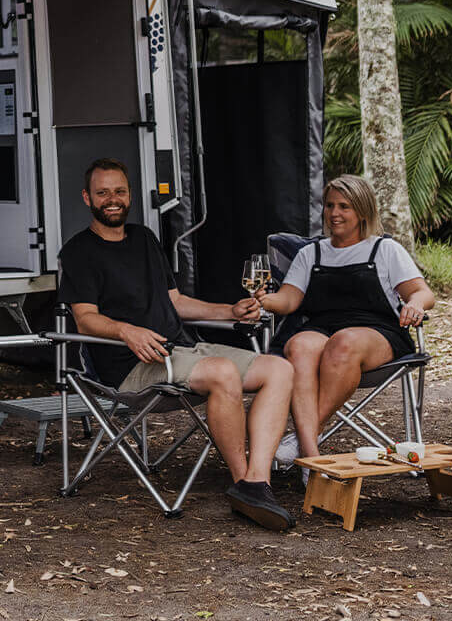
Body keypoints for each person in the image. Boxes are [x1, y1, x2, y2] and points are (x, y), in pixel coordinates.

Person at [59, 158, 298, 530]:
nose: (112, 199)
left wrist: (229, 311)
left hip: (180, 350)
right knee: (221, 372)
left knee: (279, 369)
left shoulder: (144, 239)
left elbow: (175, 302)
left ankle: (258, 479)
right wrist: (127, 331)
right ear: (87, 197)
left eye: (120, 191)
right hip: (130, 367)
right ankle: (244, 485)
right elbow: (85, 318)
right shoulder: (78, 252)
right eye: (103, 192)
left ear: (130, 196)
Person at [262, 174, 436, 465]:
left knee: (344, 341)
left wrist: (416, 304)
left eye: (344, 206)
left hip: (377, 331)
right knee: (299, 345)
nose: (334, 213)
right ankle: (313, 460)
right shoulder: (311, 253)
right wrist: (263, 299)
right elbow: (288, 300)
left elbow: (421, 292)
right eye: (330, 206)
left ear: (363, 211)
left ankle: (305, 435)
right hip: (322, 327)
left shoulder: (384, 249)